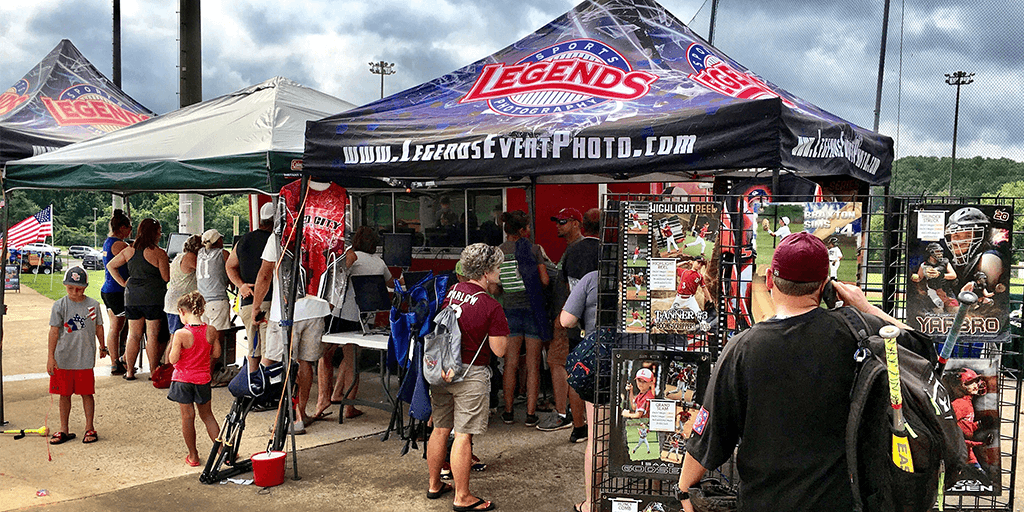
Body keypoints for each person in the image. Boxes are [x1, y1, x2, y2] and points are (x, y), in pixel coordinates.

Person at [677, 232, 914, 512]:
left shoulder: (742, 348)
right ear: (825, 285)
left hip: (764, 503)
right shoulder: (857, 333)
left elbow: (708, 439)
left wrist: (683, 491)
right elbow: (922, 349)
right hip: (845, 503)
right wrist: (866, 308)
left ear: (768, 280)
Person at [426, 243, 508, 512]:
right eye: (497, 268)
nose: (500, 272)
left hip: (443, 369)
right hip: (470, 374)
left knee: (440, 428)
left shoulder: (453, 291)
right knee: (463, 435)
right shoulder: (491, 306)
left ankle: (434, 483)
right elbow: (499, 350)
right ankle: (462, 497)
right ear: (485, 272)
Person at [251, 227, 332, 433]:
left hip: (286, 311)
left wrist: (256, 307)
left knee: (281, 365)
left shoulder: (279, 235)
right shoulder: (320, 231)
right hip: (316, 308)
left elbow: (265, 274)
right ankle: (300, 414)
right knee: (306, 363)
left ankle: (283, 417)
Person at [316, 226, 394, 420]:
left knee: (324, 356)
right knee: (352, 362)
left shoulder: (352, 257)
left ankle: (323, 400)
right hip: (362, 318)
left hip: (340, 313)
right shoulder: (379, 262)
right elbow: (391, 284)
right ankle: (349, 404)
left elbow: (335, 278)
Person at [540, 207, 599, 435]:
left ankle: (578, 426)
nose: (558, 225)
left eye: (563, 221)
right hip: (603, 327)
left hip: (577, 325)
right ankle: (591, 426)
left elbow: (569, 287)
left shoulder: (574, 252)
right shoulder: (608, 251)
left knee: (577, 371)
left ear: (579, 223)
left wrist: (567, 315)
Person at [496, 210, 550, 426]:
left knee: (510, 364)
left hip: (509, 312)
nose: (529, 231)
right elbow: (545, 280)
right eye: (527, 227)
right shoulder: (534, 249)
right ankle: (530, 414)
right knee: (533, 365)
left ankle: (508, 411)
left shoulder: (498, 252)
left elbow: (496, 286)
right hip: (532, 311)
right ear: (521, 230)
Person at [47, 267, 106, 445]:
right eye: (71, 288)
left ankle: (90, 427)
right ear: (65, 285)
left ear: (85, 287)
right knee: (64, 395)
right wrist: (51, 357)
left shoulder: (93, 305)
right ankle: (64, 429)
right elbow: (54, 332)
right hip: (63, 358)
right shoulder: (59, 305)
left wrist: (103, 346)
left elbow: (99, 327)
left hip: (84, 358)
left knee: (87, 393)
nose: (75, 292)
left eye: (79, 288)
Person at [107, 218, 170, 381]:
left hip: (132, 297)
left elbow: (111, 266)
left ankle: (129, 372)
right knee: (152, 335)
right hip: (153, 297)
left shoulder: (129, 250)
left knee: (133, 335)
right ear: (155, 233)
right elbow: (166, 277)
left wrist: (123, 282)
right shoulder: (159, 253)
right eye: (159, 231)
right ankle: (152, 372)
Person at [558, 268, 600, 511]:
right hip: (643, 362)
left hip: (601, 363)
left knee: (598, 440)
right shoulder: (652, 274)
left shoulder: (592, 278)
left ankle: (592, 504)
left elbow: (566, 320)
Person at [166, 291, 221, 467]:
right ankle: (223, 451)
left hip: (183, 380)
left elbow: (172, 359)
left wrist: (175, 345)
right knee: (208, 416)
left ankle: (193, 455)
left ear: (182, 312)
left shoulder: (181, 334)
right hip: (203, 379)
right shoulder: (211, 331)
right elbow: (217, 353)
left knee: (187, 417)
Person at [226, 202, 275, 371]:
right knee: (270, 352)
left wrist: (241, 286)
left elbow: (229, 265)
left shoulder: (243, 240)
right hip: (269, 302)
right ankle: (264, 388)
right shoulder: (275, 240)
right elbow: (266, 274)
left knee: (254, 350)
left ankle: (251, 386)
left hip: (247, 302)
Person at [100, 209, 132, 376]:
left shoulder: (108, 242)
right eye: (129, 228)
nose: (130, 232)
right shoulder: (120, 244)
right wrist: (125, 283)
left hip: (108, 289)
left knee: (116, 326)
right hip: (117, 290)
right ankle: (116, 362)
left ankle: (116, 360)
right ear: (122, 228)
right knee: (117, 327)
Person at [945, 367, 990, 470]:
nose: (976, 385)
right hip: (959, 455)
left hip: (968, 454)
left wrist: (978, 424)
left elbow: (964, 426)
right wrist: (979, 443)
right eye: (970, 382)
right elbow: (951, 432)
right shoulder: (959, 405)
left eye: (976, 382)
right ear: (959, 386)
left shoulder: (967, 402)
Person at [196, 229, 232, 347]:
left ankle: (203, 363)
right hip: (217, 300)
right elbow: (232, 270)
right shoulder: (223, 253)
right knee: (216, 340)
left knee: (204, 338)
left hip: (202, 300)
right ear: (218, 241)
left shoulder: (200, 253)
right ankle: (210, 365)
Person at [163, 235, 201, 335]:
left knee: (176, 338)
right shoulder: (191, 257)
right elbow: (206, 271)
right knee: (177, 339)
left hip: (174, 301)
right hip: (180, 302)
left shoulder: (179, 256)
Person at [910, 242, 958, 311]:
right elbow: (919, 278)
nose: (939, 254)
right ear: (930, 253)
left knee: (955, 310)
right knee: (938, 311)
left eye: (940, 251)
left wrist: (940, 275)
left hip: (946, 291)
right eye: (937, 252)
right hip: (933, 292)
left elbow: (953, 275)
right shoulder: (924, 265)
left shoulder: (945, 262)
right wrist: (915, 278)